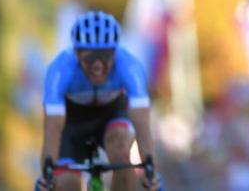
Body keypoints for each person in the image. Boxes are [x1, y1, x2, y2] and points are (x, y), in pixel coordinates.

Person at [35, 11, 161, 191]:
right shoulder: (60, 69)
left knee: (122, 152)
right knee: (66, 184)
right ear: (76, 53)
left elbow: (142, 124)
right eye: (89, 58)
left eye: (105, 57)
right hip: (72, 123)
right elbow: (52, 128)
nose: (98, 65)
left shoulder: (130, 66)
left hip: (112, 115)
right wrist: (47, 173)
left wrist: (151, 172)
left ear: (115, 53)